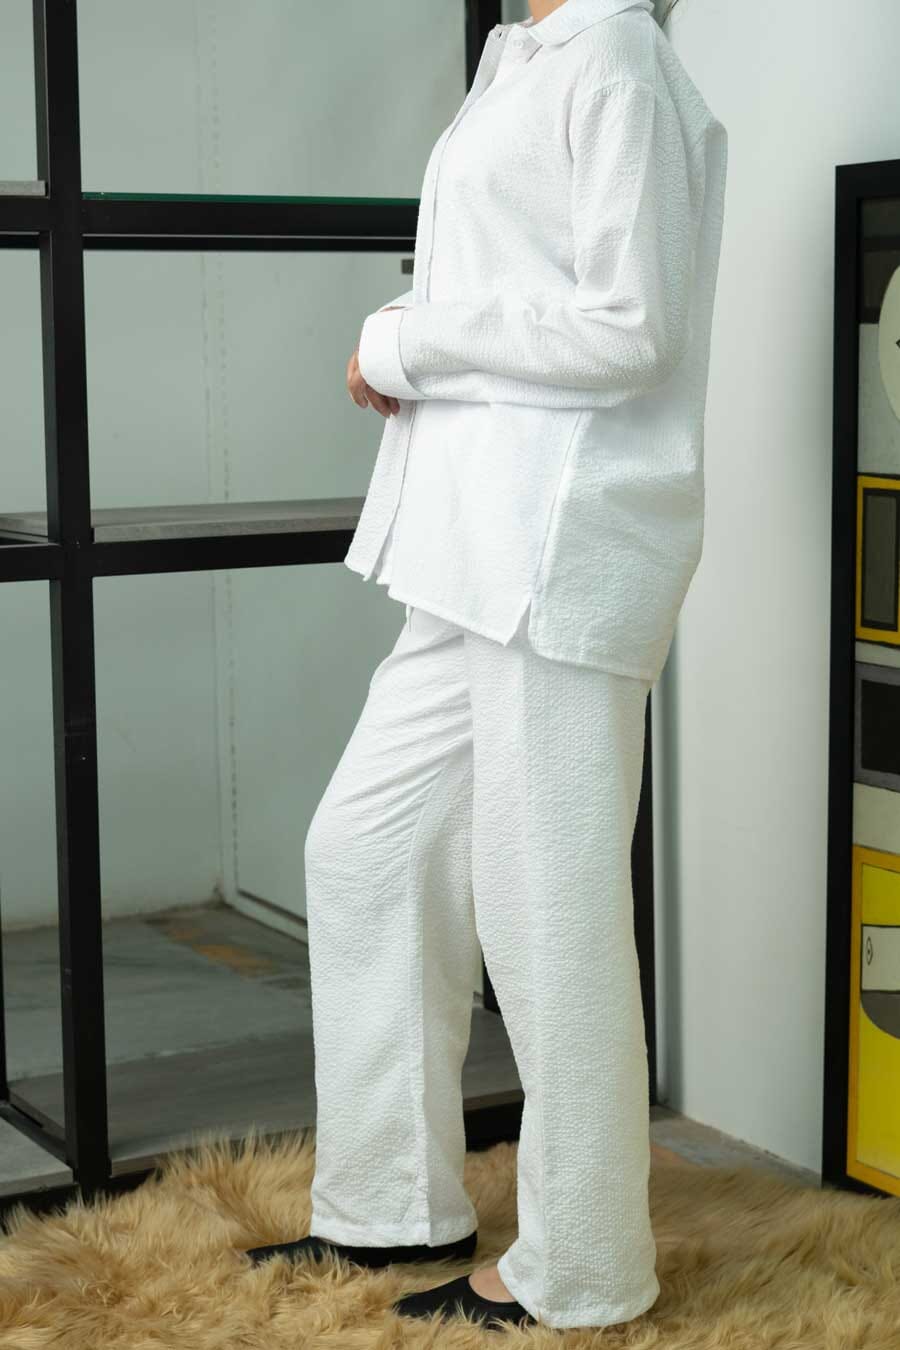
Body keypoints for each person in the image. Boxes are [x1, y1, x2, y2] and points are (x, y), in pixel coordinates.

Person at [244, 0, 727, 1332]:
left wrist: (413, 340)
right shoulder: (527, 56)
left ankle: (582, 1265)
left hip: (558, 550)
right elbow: (524, 282)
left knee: (547, 911)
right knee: (367, 850)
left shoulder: (618, 62)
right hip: (472, 547)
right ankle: (391, 1203)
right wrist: (409, 338)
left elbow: (631, 326)